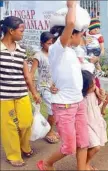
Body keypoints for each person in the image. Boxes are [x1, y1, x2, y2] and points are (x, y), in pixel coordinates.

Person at [36, 1, 89, 170]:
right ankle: (46, 163)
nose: (82, 37)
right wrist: (72, 6)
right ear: (71, 35)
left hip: (78, 102)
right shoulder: (56, 49)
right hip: (64, 106)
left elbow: (66, 75)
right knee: (69, 147)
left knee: (83, 141)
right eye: (81, 34)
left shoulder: (71, 53)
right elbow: (71, 23)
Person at [0, 16, 41, 167]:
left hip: (22, 94)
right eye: (21, 31)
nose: (23, 33)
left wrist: (34, 93)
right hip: (4, 97)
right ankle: (13, 155)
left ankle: (24, 146)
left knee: (25, 123)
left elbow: (27, 75)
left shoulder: (21, 50)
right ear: (11, 31)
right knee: (9, 126)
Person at [30, 31, 60, 144]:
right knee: (52, 110)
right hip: (43, 87)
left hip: (54, 87)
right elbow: (31, 73)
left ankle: (48, 129)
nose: (51, 46)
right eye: (48, 43)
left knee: (56, 109)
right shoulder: (38, 56)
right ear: (42, 43)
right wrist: (33, 91)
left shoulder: (54, 54)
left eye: (52, 43)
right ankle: (49, 132)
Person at [82, 70, 108, 170]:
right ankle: (84, 164)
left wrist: (101, 95)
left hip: (95, 122)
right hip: (86, 125)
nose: (95, 86)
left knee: (94, 146)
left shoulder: (93, 92)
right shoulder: (80, 97)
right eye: (92, 85)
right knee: (96, 146)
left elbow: (97, 104)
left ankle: (85, 164)